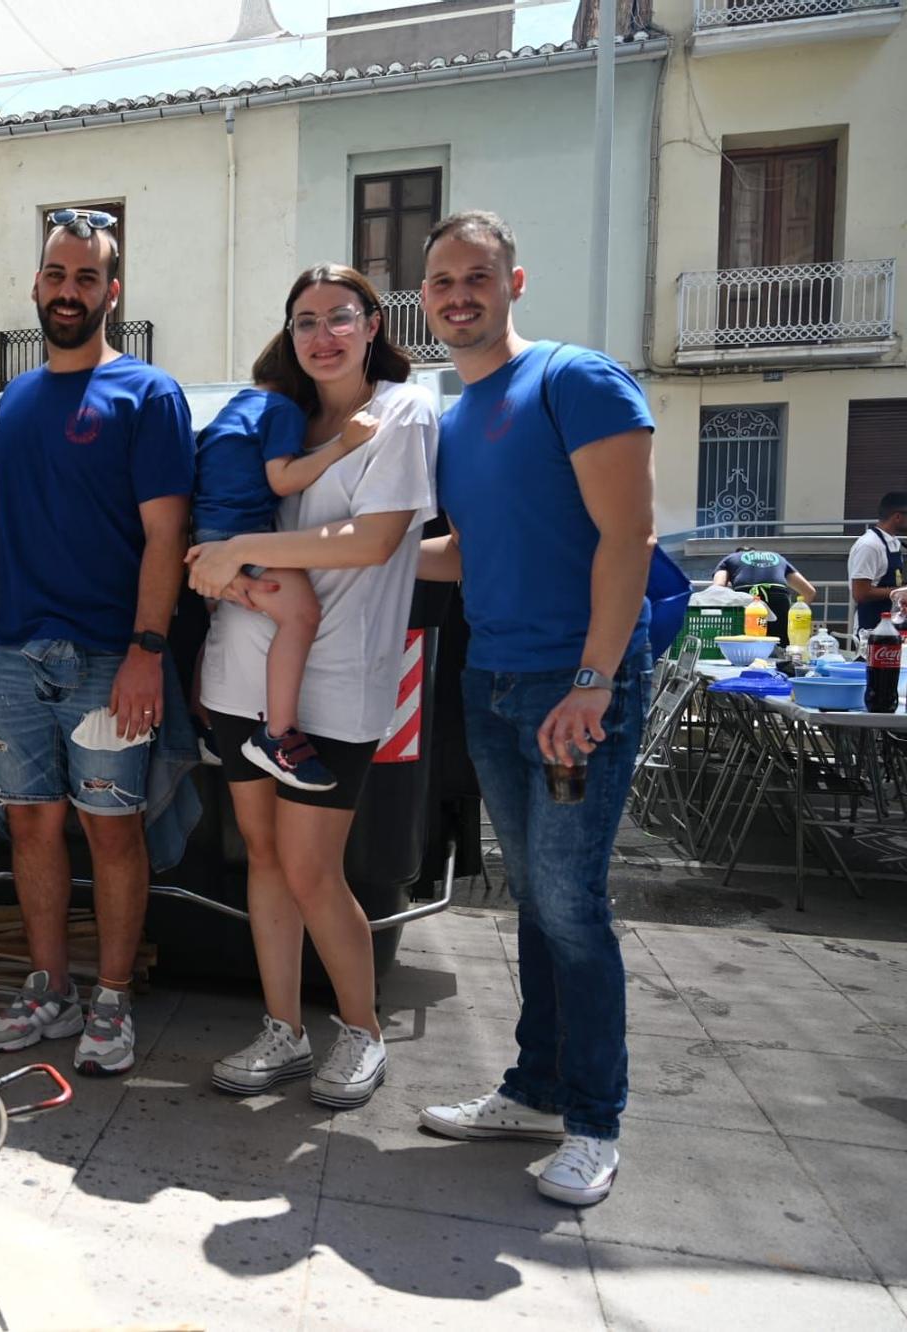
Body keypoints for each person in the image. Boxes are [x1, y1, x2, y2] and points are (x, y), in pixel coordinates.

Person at [413, 210, 656, 1207]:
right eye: (439, 281)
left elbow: (627, 538)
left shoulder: (574, 380)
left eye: (476, 276)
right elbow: (463, 551)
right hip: (492, 683)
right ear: (423, 297)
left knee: (569, 905)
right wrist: (339, 556)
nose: (457, 294)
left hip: (575, 690)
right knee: (534, 902)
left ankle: (594, 1121)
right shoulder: (452, 415)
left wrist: (592, 684)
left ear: (513, 284)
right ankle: (534, 1086)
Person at [184, 265, 439, 1111]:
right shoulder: (282, 417)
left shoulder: (400, 412)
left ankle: (360, 1029)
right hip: (240, 670)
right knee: (260, 856)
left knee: (311, 867)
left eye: (339, 317)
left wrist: (242, 547)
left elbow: (370, 543)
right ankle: (284, 1029)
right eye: (304, 321)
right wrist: (223, 560)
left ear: (373, 324)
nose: (322, 335)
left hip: (336, 683)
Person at [0, 209, 193, 1078]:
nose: (69, 292)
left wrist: (146, 649)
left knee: (112, 832)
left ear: (112, 291)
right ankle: (47, 988)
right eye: (56, 276)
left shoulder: (149, 394)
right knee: (29, 828)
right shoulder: (15, 400)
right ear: (36, 284)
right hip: (10, 656)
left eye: (86, 278)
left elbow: (166, 538)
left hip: (110, 659)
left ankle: (110, 1002)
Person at [193, 377, 379, 791]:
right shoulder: (282, 409)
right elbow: (282, 479)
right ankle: (277, 736)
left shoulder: (237, 405)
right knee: (302, 614)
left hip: (210, 534)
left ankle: (203, 726)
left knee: (217, 625)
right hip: (240, 536)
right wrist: (343, 444)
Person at [711, 546, 817, 646]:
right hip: (778, 598)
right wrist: (797, 612)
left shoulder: (730, 558)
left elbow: (718, 588)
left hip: (748, 598)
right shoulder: (778, 557)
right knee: (780, 644)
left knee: (749, 642)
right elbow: (809, 591)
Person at [847, 492, 907, 632]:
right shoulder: (870, 545)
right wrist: (899, 592)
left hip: (894, 626)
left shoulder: (894, 543)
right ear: (897, 516)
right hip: (871, 630)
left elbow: (893, 583)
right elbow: (860, 593)